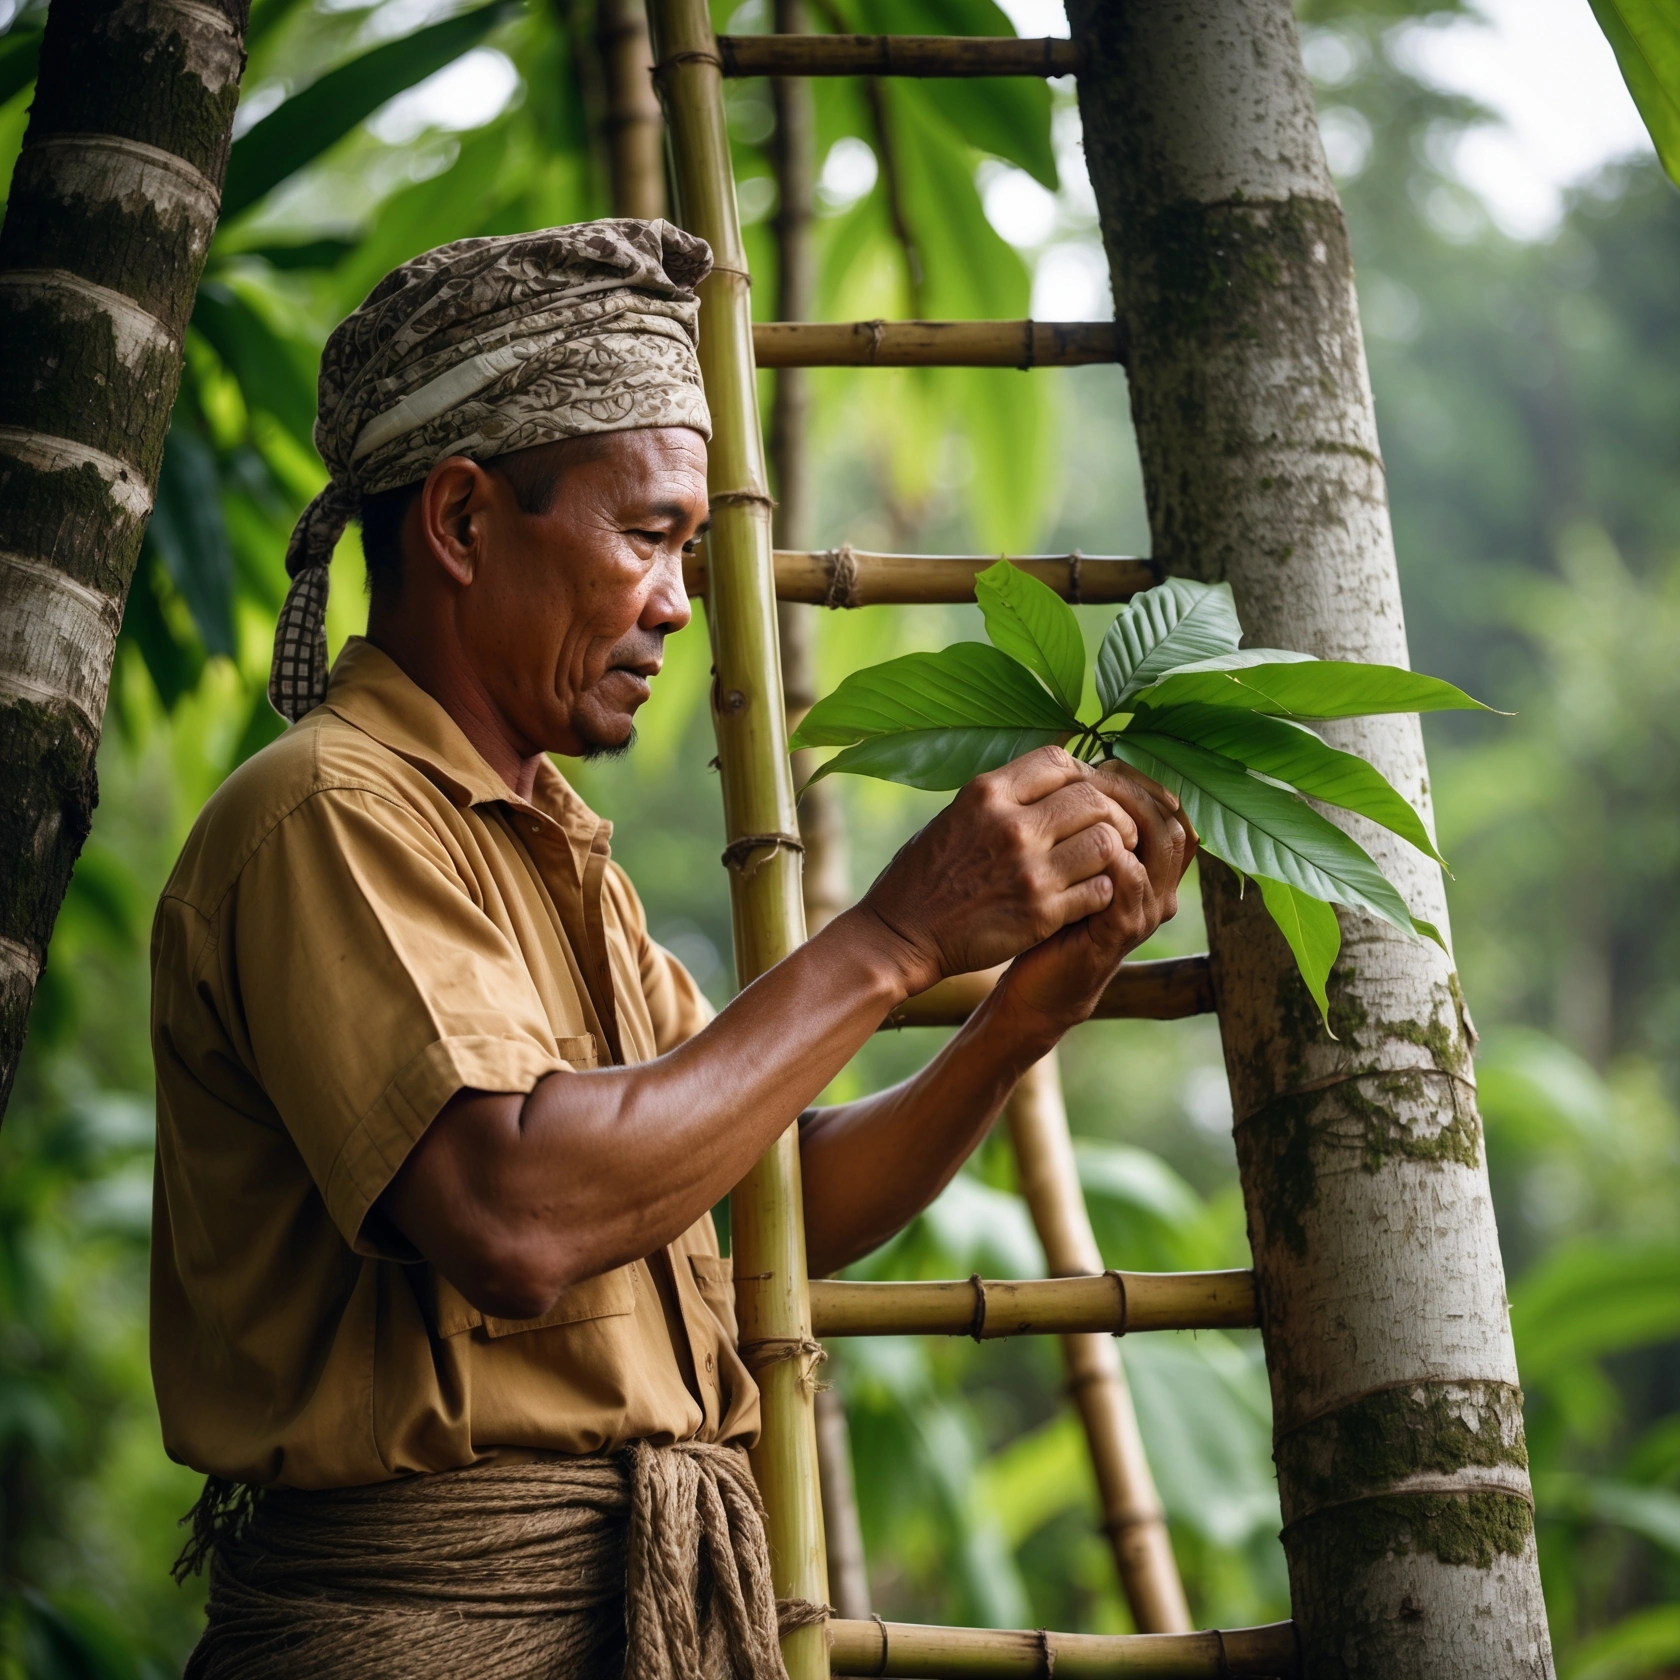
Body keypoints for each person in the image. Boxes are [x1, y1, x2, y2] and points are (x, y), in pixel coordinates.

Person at [149, 220, 1195, 1680]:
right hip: (429, 1629)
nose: (677, 603)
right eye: (645, 537)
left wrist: (1020, 1020)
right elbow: (516, 1215)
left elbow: (760, 1199)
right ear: (462, 523)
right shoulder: (325, 815)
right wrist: (893, 937)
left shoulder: (563, 853)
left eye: (688, 550)